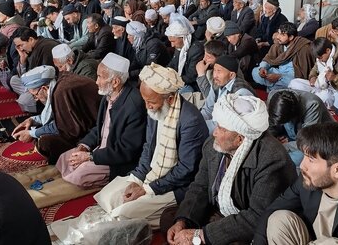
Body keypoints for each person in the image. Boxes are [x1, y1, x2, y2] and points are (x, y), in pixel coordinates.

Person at [163, 94, 297, 245]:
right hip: (218, 210)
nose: (214, 132)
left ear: (240, 138)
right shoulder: (214, 145)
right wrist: (183, 221)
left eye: (221, 128)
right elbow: (200, 186)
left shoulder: (272, 159)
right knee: (170, 218)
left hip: (245, 221)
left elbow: (257, 216)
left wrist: (201, 235)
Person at [92, 63, 209, 228]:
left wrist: (148, 189)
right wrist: (138, 178)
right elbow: (148, 147)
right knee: (108, 196)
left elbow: (186, 169)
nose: (147, 107)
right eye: (145, 101)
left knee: (123, 213)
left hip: (177, 186)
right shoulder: (155, 108)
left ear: (169, 98)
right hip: (151, 175)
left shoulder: (190, 121)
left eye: (151, 102)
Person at [253, 122, 338, 245]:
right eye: (305, 157)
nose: (302, 166)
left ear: (337, 169)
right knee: (279, 219)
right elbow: (272, 209)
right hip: (313, 240)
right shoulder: (309, 179)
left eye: (311, 159)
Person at [56, 53, 147, 188]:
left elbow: (127, 151)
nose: (96, 81)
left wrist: (90, 157)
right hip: (99, 150)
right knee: (64, 158)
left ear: (115, 82)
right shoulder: (108, 95)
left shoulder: (133, 105)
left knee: (79, 175)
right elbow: (100, 129)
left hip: (115, 161)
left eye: (100, 77)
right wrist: (84, 146)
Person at [11, 66, 100, 164]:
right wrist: (32, 120)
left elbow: (63, 126)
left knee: (45, 141)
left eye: (35, 95)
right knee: (40, 130)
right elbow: (60, 115)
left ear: (44, 88)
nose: (36, 99)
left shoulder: (61, 91)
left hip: (96, 131)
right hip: (87, 124)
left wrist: (31, 134)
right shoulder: (59, 80)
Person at [267, 89, 334, 166]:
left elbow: (307, 141)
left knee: (297, 159)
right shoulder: (273, 96)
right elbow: (272, 123)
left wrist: (282, 146)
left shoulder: (312, 104)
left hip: (316, 138)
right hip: (293, 135)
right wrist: (272, 140)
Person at [288, 37, 338, 110]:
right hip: (320, 85)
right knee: (294, 83)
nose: (319, 60)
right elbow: (314, 69)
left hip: (336, 90)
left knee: (324, 97)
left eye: (320, 57)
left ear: (328, 50)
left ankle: (310, 104)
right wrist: (312, 77)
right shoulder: (321, 56)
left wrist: (335, 78)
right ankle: (311, 100)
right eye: (318, 58)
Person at [252, 23, 314, 91]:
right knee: (255, 72)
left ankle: (272, 87)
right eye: (278, 33)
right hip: (279, 72)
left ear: (291, 37)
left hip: (292, 76)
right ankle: (277, 87)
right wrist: (262, 68)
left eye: (282, 35)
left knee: (295, 83)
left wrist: (279, 77)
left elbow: (303, 74)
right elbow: (268, 59)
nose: (278, 37)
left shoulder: (303, 47)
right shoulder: (278, 45)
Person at [200, 56, 254, 133]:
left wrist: (199, 126)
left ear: (231, 75)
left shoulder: (241, 92)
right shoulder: (217, 83)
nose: (215, 75)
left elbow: (230, 123)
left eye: (219, 71)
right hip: (217, 124)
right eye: (214, 70)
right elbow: (208, 109)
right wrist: (197, 121)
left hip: (231, 130)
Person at [166, 22, 204, 93]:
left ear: (183, 38)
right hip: (179, 79)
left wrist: (173, 80)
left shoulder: (196, 50)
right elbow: (173, 63)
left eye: (173, 41)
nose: (172, 45)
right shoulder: (180, 47)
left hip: (192, 85)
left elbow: (191, 76)